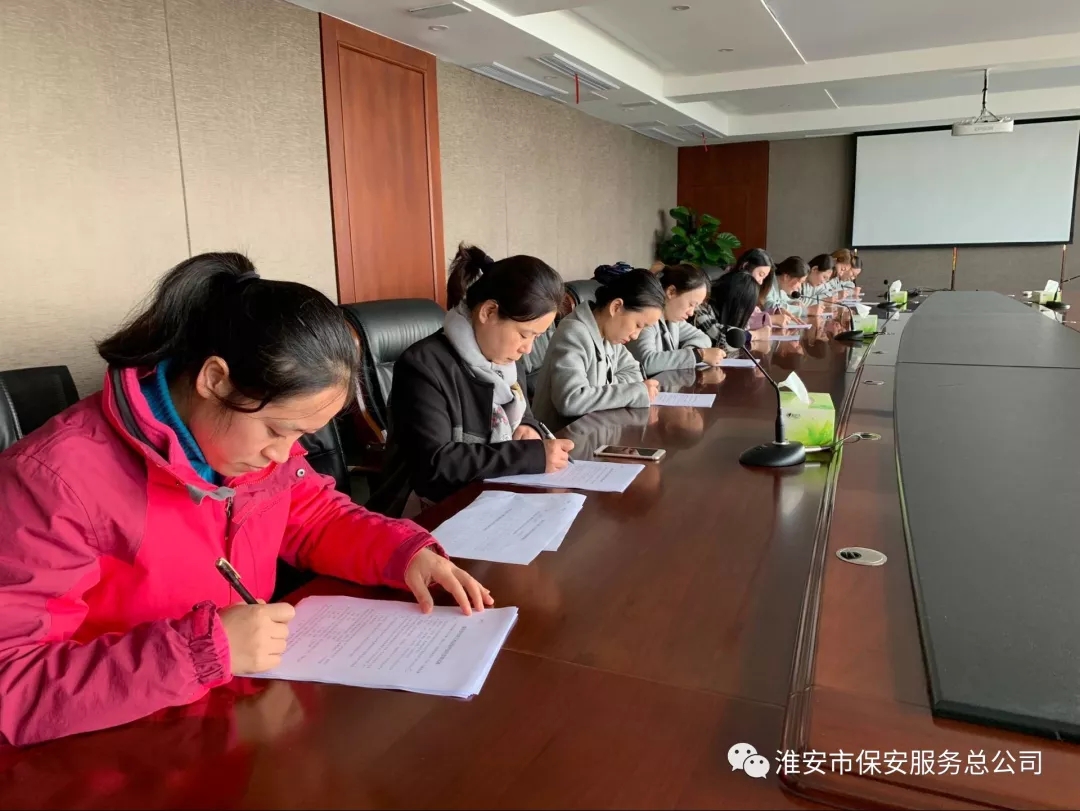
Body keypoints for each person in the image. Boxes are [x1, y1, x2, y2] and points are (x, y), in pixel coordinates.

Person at [0, 252, 491, 748]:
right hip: (108, 746)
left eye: (300, 435)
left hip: (225, 717)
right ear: (215, 379)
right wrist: (200, 652)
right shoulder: (54, 481)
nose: (284, 454)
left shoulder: (241, 443)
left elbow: (314, 517)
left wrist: (402, 551)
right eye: (278, 431)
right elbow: (11, 680)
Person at [373, 244, 573, 518]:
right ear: (488, 312)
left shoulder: (508, 360)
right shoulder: (423, 366)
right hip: (426, 510)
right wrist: (531, 456)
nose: (528, 349)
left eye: (536, 338)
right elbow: (435, 465)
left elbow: (523, 414)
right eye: (525, 334)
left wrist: (528, 427)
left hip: (492, 499)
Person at [532, 266, 664, 431]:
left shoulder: (610, 337)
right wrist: (634, 392)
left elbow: (635, 373)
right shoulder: (574, 333)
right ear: (616, 307)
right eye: (638, 325)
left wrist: (597, 392)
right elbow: (571, 399)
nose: (636, 336)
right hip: (560, 437)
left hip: (593, 431)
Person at [627, 263, 725, 375]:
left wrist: (690, 353)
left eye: (695, 307)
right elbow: (645, 363)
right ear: (671, 292)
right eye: (691, 304)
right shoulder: (645, 319)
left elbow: (703, 338)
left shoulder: (674, 320)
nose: (691, 312)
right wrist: (698, 355)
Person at [697, 269, 766, 350]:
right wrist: (755, 335)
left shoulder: (726, 309)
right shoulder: (700, 306)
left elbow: (743, 327)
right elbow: (723, 339)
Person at [762, 256, 810, 323]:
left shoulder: (782, 287)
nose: (799, 287)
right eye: (800, 282)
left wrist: (793, 302)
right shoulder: (768, 283)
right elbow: (770, 305)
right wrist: (806, 311)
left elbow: (784, 301)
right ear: (786, 277)